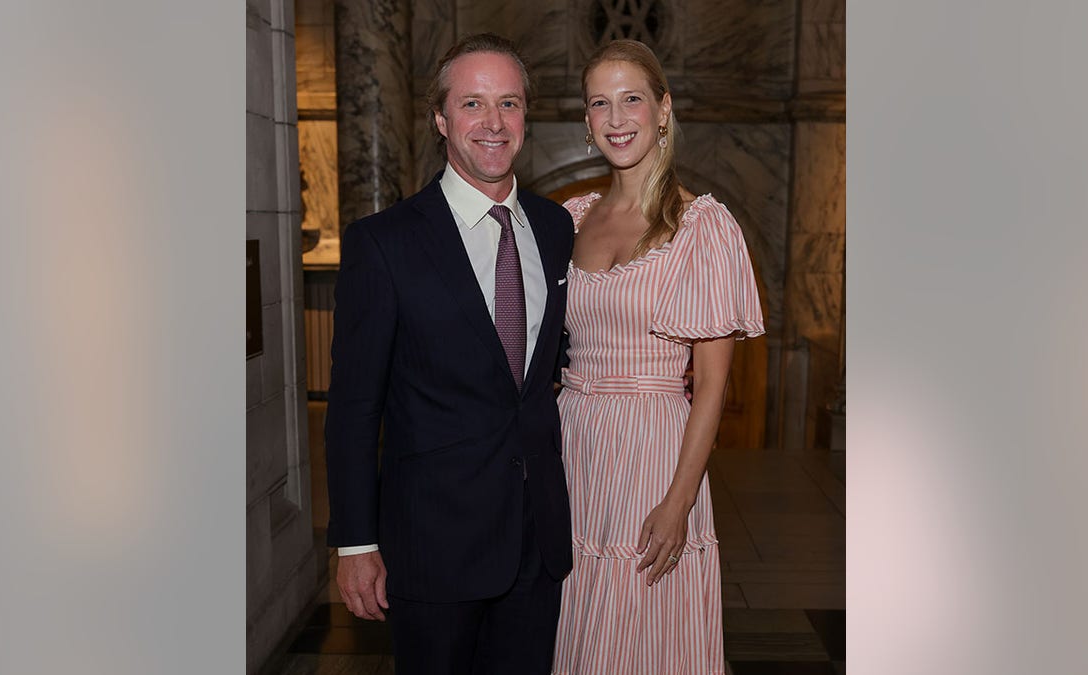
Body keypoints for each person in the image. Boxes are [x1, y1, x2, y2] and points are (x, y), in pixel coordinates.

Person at [324, 33, 575, 675]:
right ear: (441, 119)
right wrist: (355, 542)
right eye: (472, 104)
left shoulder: (553, 229)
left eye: (509, 104)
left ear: (527, 117)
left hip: (536, 541)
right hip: (432, 546)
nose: (493, 123)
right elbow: (354, 409)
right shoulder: (384, 244)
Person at [551, 40, 765, 674]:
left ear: (663, 109)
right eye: (600, 103)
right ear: (586, 122)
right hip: (574, 447)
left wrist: (679, 501)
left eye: (632, 99)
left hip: (654, 452)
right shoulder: (568, 220)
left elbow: (712, 389)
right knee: (582, 619)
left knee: (650, 629)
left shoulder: (702, 226)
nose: (617, 119)